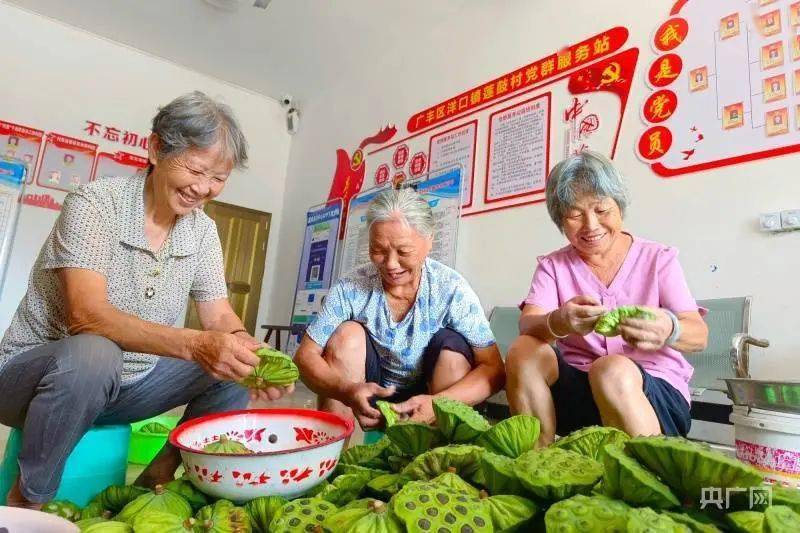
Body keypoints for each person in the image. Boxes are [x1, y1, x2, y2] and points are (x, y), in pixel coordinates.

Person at [0, 91, 292, 508]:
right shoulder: (95, 205)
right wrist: (195, 344)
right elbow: (88, 317)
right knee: (95, 353)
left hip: (129, 387)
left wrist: (249, 352)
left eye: (218, 178)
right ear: (155, 148)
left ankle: (159, 474)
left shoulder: (202, 231)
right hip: (31, 384)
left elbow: (219, 314)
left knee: (229, 367)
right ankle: (27, 500)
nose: (203, 189)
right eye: (195, 169)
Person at [505, 151, 708, 446]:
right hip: (583, 397)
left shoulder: (657, 258)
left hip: (651, 397)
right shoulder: (552, 266)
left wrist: (669, 328)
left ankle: (654, 475)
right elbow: (528, 326)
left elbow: (699, 335)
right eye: (575, 215)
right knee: (524, 350)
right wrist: (559, 320)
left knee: (611, 369)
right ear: (560, 220)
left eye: (601, 210)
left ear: (619, 208)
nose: (591, 225)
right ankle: (537, 463)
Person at [295, 187, 505, 428]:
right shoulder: (351, 287)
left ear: (429, 241)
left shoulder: (451, 289)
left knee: (454, 351)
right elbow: (305, 356)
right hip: (368, 389)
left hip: (431, 393)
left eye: (404, 252)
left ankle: (441, 460)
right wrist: (346, 390)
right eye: (378, 250)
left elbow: (494, 369)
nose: (391, 264)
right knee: (346, 336)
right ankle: (335, 457)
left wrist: (439, 403)